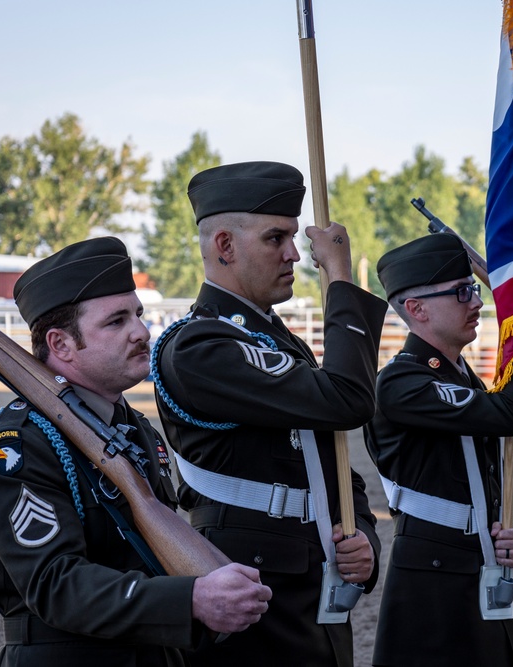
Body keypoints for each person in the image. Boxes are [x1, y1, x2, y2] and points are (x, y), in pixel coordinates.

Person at [0, 237, 272, 667]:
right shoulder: (17, 445)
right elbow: (54, 584)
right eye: (116, 321)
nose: (141, 331)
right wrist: (188, 599)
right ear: (61, 344)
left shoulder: (134, 429)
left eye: (137, 314)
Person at [151, 161, 387, 667]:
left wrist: (361, 533)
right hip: (248, 582)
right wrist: (340, 280)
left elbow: (334, 466)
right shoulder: (201, 346)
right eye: (275, 238)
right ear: (224, 246)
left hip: (310, 579)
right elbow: (348, 401)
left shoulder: (274, 340)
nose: (295, 255)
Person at [365, 234, 513, 667]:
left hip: (477, 569)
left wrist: (512, 534)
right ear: (416, 309)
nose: (478, 302)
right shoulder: (400, 383)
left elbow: (478, 478)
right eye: (462, 292)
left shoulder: (462, 377)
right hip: (433, 582)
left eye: (474, 288)